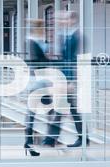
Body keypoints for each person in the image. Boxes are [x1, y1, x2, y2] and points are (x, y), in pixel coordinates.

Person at [46, 11, 88, 148]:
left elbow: (74, 60)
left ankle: (51, 139)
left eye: (65, 19)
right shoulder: (67, 35)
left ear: (72, 20)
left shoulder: (77, 36)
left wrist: (71, 81)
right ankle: (82, 138)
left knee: (63, 108)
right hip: (64, 78)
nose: (62, 22)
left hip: (69, 79)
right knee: (69, 109)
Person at [23, 19, 50, 156]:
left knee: (34, 112)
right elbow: (38, 60)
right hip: (38, 81)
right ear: (37, 29)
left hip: (41, 80)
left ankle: (31, 142)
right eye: (42, 28)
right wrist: (48, 58)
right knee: (48, 109)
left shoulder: (38, 41)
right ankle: (47, 139)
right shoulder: (32, 42)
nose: (43, 30)